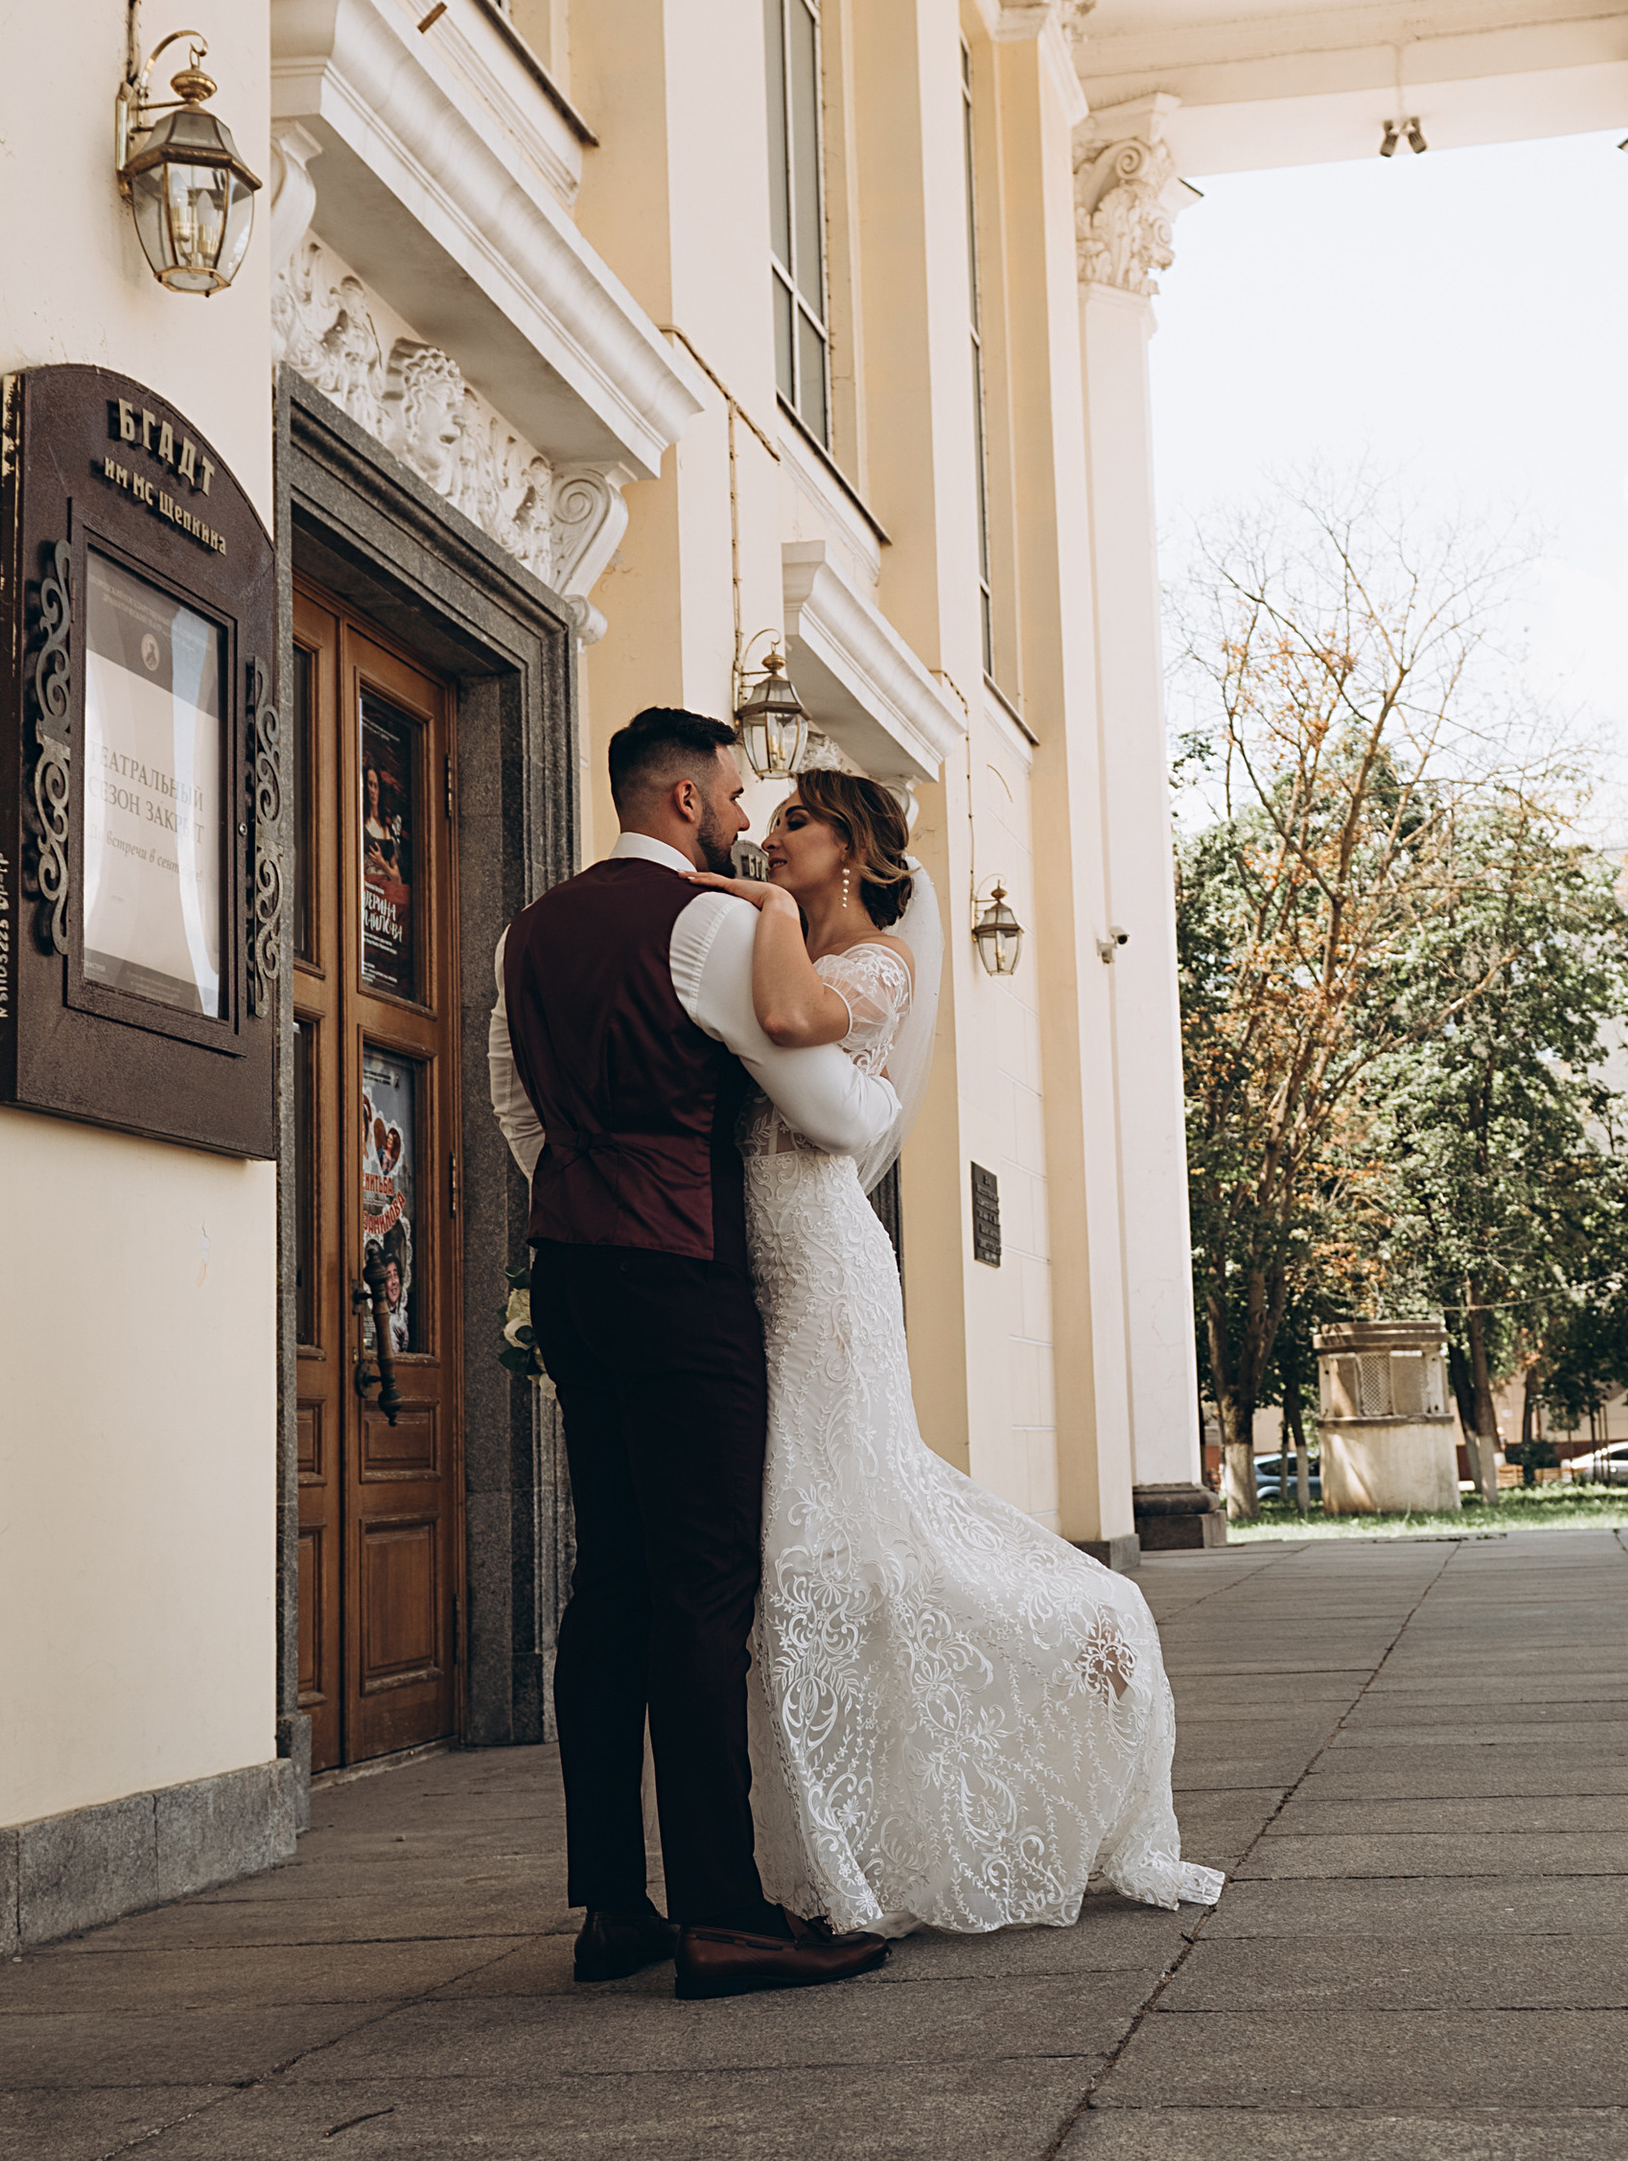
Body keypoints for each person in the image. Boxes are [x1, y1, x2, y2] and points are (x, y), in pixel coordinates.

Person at [715, 767, 1222, 1938]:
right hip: (756, 1248)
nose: (772, 836)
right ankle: (846, 1836)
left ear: (852, 852)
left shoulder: (875, 962)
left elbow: (790, 1022)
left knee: (837, 1517)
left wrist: (764, 910)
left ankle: (1087, 1634)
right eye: (773, 815)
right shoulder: (773, 932)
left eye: (799, 821)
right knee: (817, 1533)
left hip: (820, 1248)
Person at [487, 708, 899, 2002]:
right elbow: (820, 1097)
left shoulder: (526, 933)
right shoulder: (709, 924)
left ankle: (615, 1903)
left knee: (605, 1579)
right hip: (682, 1276)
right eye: (729, 795)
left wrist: (588, 1197)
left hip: (571, 1269)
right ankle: (726, 1911)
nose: (741, 818)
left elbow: (518, 1107)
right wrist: (882, 1104)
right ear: (679, 801)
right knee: (704, 1584)